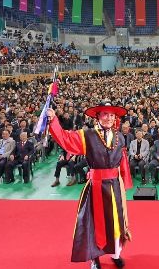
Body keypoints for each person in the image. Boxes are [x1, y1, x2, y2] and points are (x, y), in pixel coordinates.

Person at [47, 102, 132, 269]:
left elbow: (123, 162)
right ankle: (94, 258)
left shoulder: (120, 137)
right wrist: (53, 120)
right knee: (93, 223)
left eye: (112, 115)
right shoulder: (86, 135)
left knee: (116, 221)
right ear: (97, 116)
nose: (109, 118)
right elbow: (65, 139)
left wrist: (125, 180)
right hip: (96, 186)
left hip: (115, 186)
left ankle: (115, 254)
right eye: (105, 114)